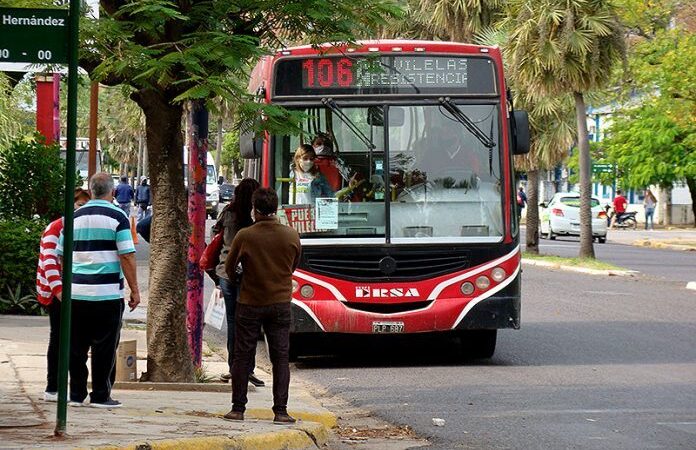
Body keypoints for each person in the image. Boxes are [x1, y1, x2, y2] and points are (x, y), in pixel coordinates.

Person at [57, 172, 140, 408]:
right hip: (107, 295)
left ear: (90, 190)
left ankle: (76, 394)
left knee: (75, 346)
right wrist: (135, 290)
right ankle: (101, 395)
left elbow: (61, 255)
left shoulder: (73, 217)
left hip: (76, 293)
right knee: (105, 346)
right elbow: (126, 254)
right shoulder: (118, 217)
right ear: (112, 192)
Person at [224, 187, 301, 423]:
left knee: (242, 356)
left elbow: (229, 267)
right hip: (279, 303)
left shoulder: (245, 235)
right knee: (280, 357)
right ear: (276, 209)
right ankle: (281, 410)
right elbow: (294, 265)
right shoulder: (291, 235)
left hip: (249, 302)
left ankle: (238, 408)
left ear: (254, 210)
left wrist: (242, 279)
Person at [36, 188, 91, 402]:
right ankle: (53, 387)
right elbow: (50, 263)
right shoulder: (56, 228)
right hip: (56, 293)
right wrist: (60, 293)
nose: (82, 210)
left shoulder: (76, 227)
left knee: (71, 340)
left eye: (85, 206)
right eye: (79, 205)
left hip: (72, 291)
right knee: (58, 339)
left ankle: (64, 387)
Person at [211, 178, 265, 388]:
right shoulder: (256, 217)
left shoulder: (228, 213)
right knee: (250, 324)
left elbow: (215, 236)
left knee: (233, 323)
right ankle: (248, 368)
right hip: (251, 276)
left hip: (226, 273)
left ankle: (235, 367)